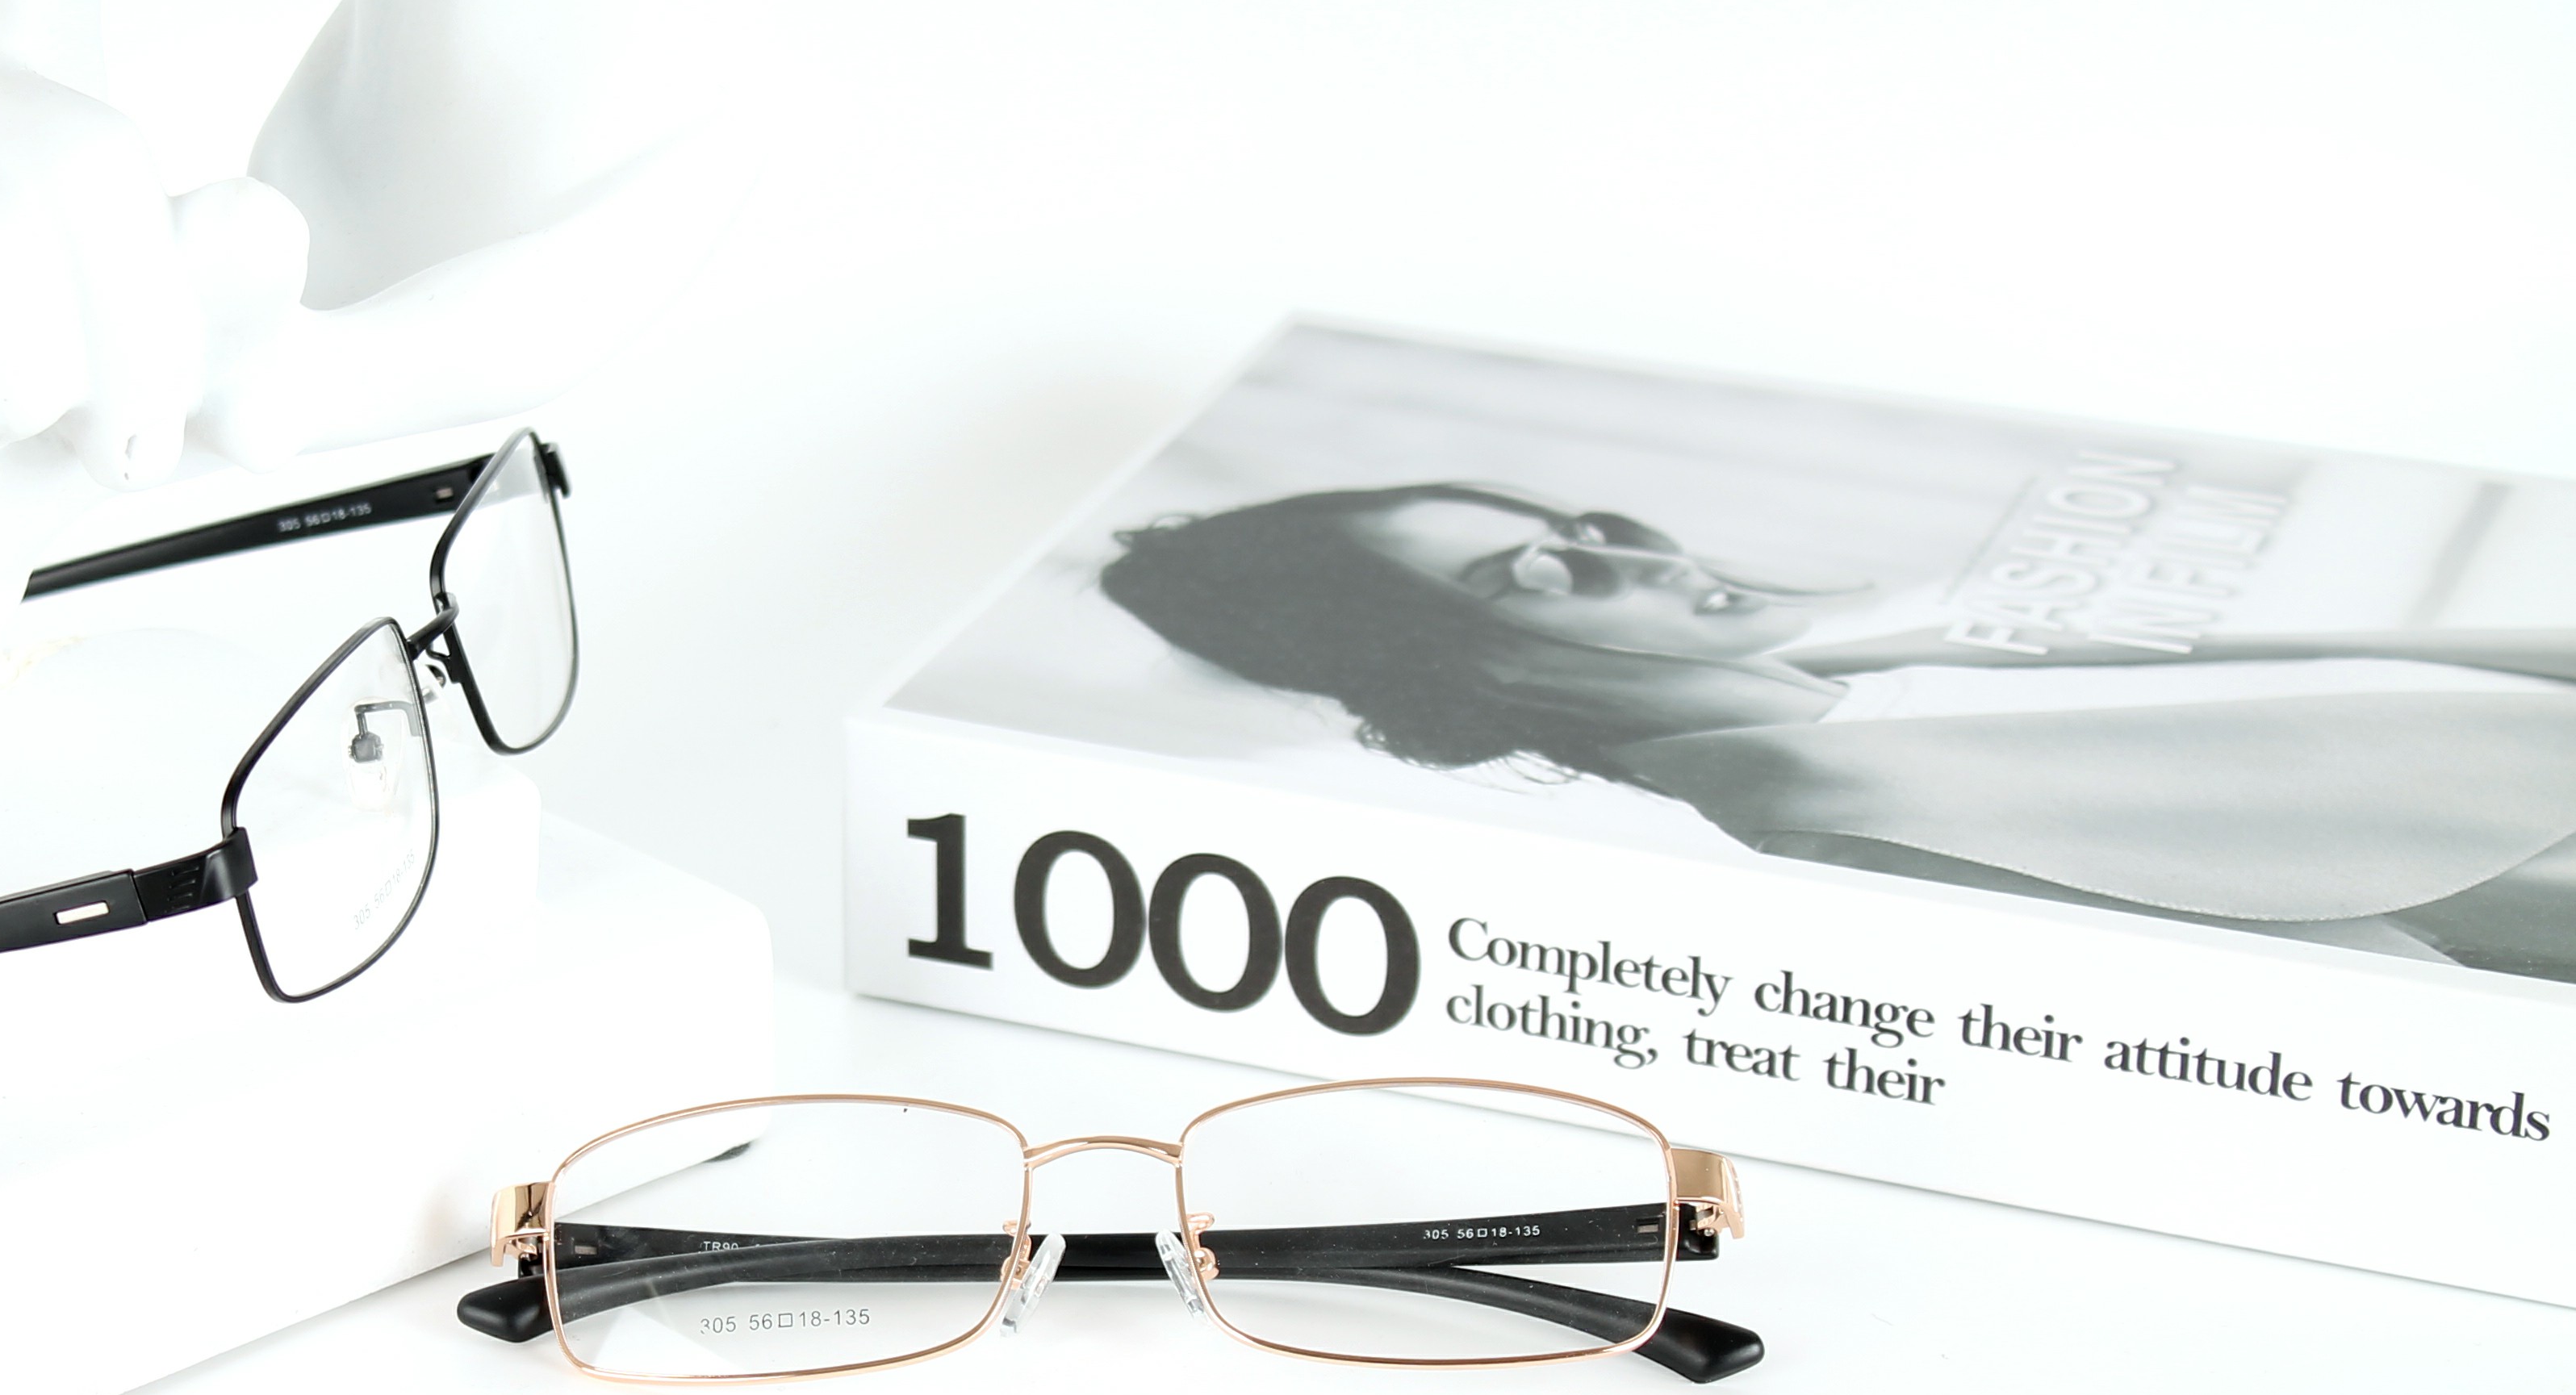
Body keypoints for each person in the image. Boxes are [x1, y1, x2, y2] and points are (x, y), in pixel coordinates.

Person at [1100, 482, 2576, 979]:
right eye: (1534, 574)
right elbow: (2401, 983)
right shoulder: (1842, 825)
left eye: (1590, 527)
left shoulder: (1915, 659)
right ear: (1443, 674)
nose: (1630, 560)